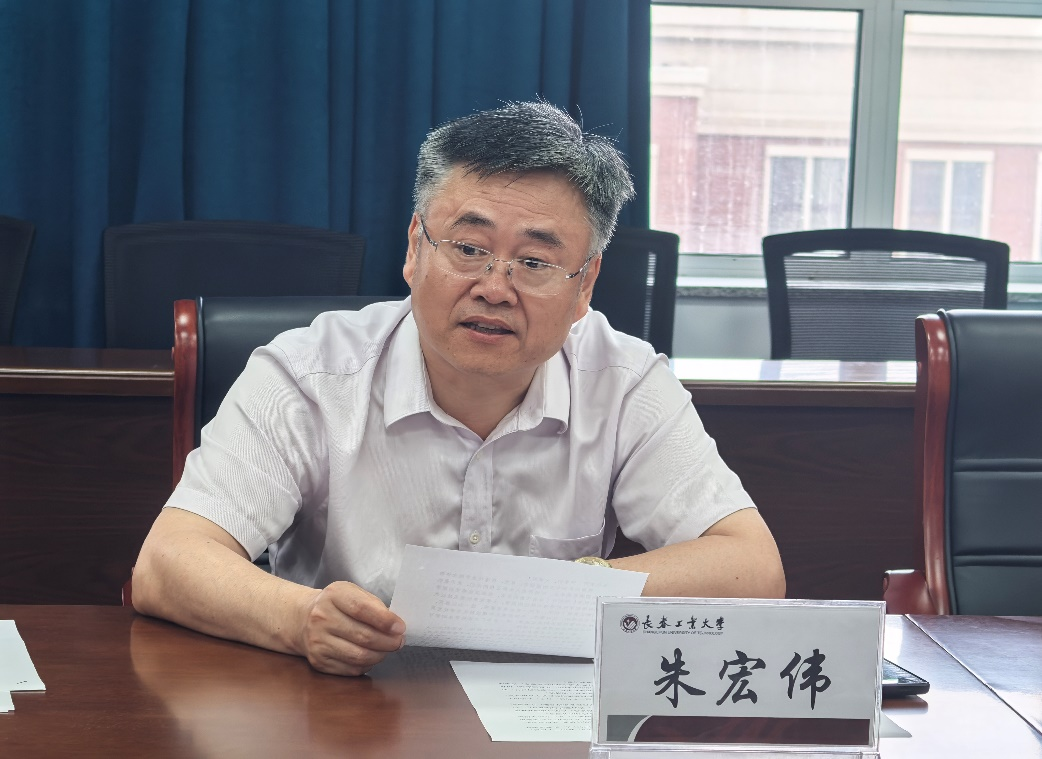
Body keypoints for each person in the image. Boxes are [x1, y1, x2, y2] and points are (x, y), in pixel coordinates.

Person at [133, 100, 785, 677]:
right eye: (468, 248)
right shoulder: (308, 374)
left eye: (534, 261)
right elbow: (166, 562)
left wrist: (571, 590)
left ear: (584, 284)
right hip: (342, 710)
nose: (494, 288)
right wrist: (302, 619)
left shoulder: (624, 382)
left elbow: (752, 568)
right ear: (415, 249)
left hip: (543, 719)